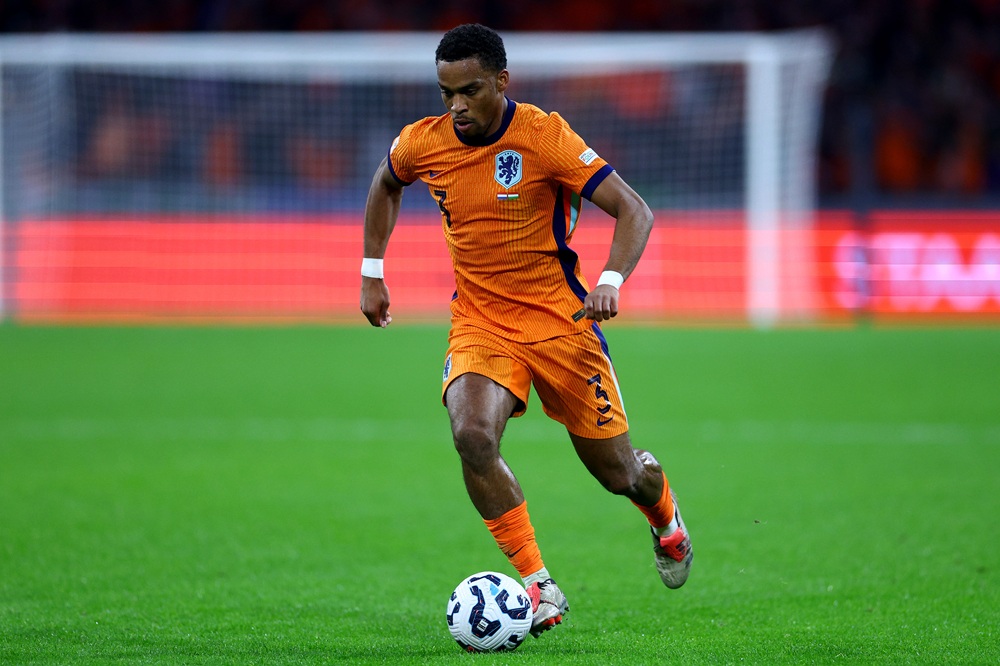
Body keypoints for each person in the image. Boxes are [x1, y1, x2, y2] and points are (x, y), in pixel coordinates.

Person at [360, 23, 692, 637]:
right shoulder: (422, 142)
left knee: (620, 474)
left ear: (501, 83)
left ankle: (665, 516)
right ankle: (540, 588)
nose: (456, 106)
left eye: (470, 90)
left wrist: (611, 280)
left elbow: (633, 209)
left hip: (562, 325)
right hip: (481, 323)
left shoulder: (544, 136)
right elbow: (385, 183)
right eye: (445, 92)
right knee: (472, 437)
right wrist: (372, 270)